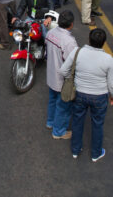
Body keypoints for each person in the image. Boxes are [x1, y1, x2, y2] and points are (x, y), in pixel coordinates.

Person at [60, 29, 113, 162]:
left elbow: (63, 70)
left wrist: (73, 80)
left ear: (89, 40)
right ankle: (96, 153)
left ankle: (75, 150)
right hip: (100, 96)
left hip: (79, 94)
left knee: (77, 121)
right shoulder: (108, 59)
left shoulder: (77, 52)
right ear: (104, 43)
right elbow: (112, 83)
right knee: (97, 124)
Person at [45, 10, 79, 140]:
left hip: (51, 74)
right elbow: (72, 62)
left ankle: (50, 122)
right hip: (62, 79)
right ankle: (59, 131)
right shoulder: (69, 41)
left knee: (52, 100)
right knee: (63, 106)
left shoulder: (50, 33)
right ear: (71, 24)